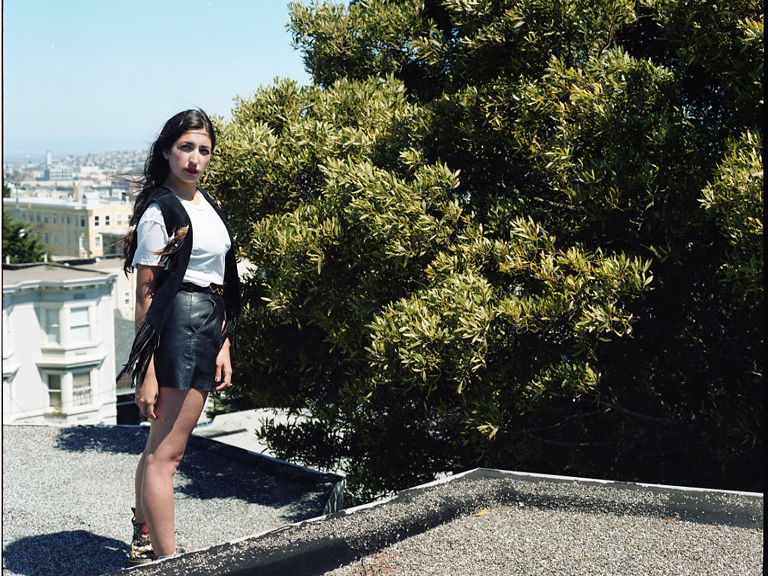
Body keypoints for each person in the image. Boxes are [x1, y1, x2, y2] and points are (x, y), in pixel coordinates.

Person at [119, 109, 240, 564]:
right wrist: (146, 371)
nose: (194, 158)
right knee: (166, 456)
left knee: (157, 447)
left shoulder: (205, 205)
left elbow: (216, 277)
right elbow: (146, 299)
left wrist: (223, 341)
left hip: (207, 325)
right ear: (167, 150)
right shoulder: (159, 211)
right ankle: (169, 562)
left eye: (203, 150)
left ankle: (146, 539)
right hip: (178, 329)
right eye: (185, 147)